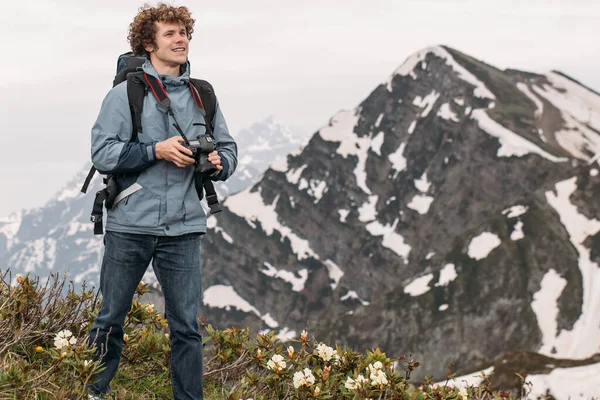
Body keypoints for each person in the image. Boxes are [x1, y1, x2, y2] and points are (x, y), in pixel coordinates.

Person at [86, 4, 237, 399]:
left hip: (183, 227)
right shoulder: (126, 94)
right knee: (110, 319)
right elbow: (102, 152)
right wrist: (157, 150)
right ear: (149, 43)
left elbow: (228, 148)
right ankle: (90, 392)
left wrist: (221, 164)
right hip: (130, 224)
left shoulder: (203, 94)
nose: (180, 39)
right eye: (170, 34)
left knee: (187, 326)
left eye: (184, 32)